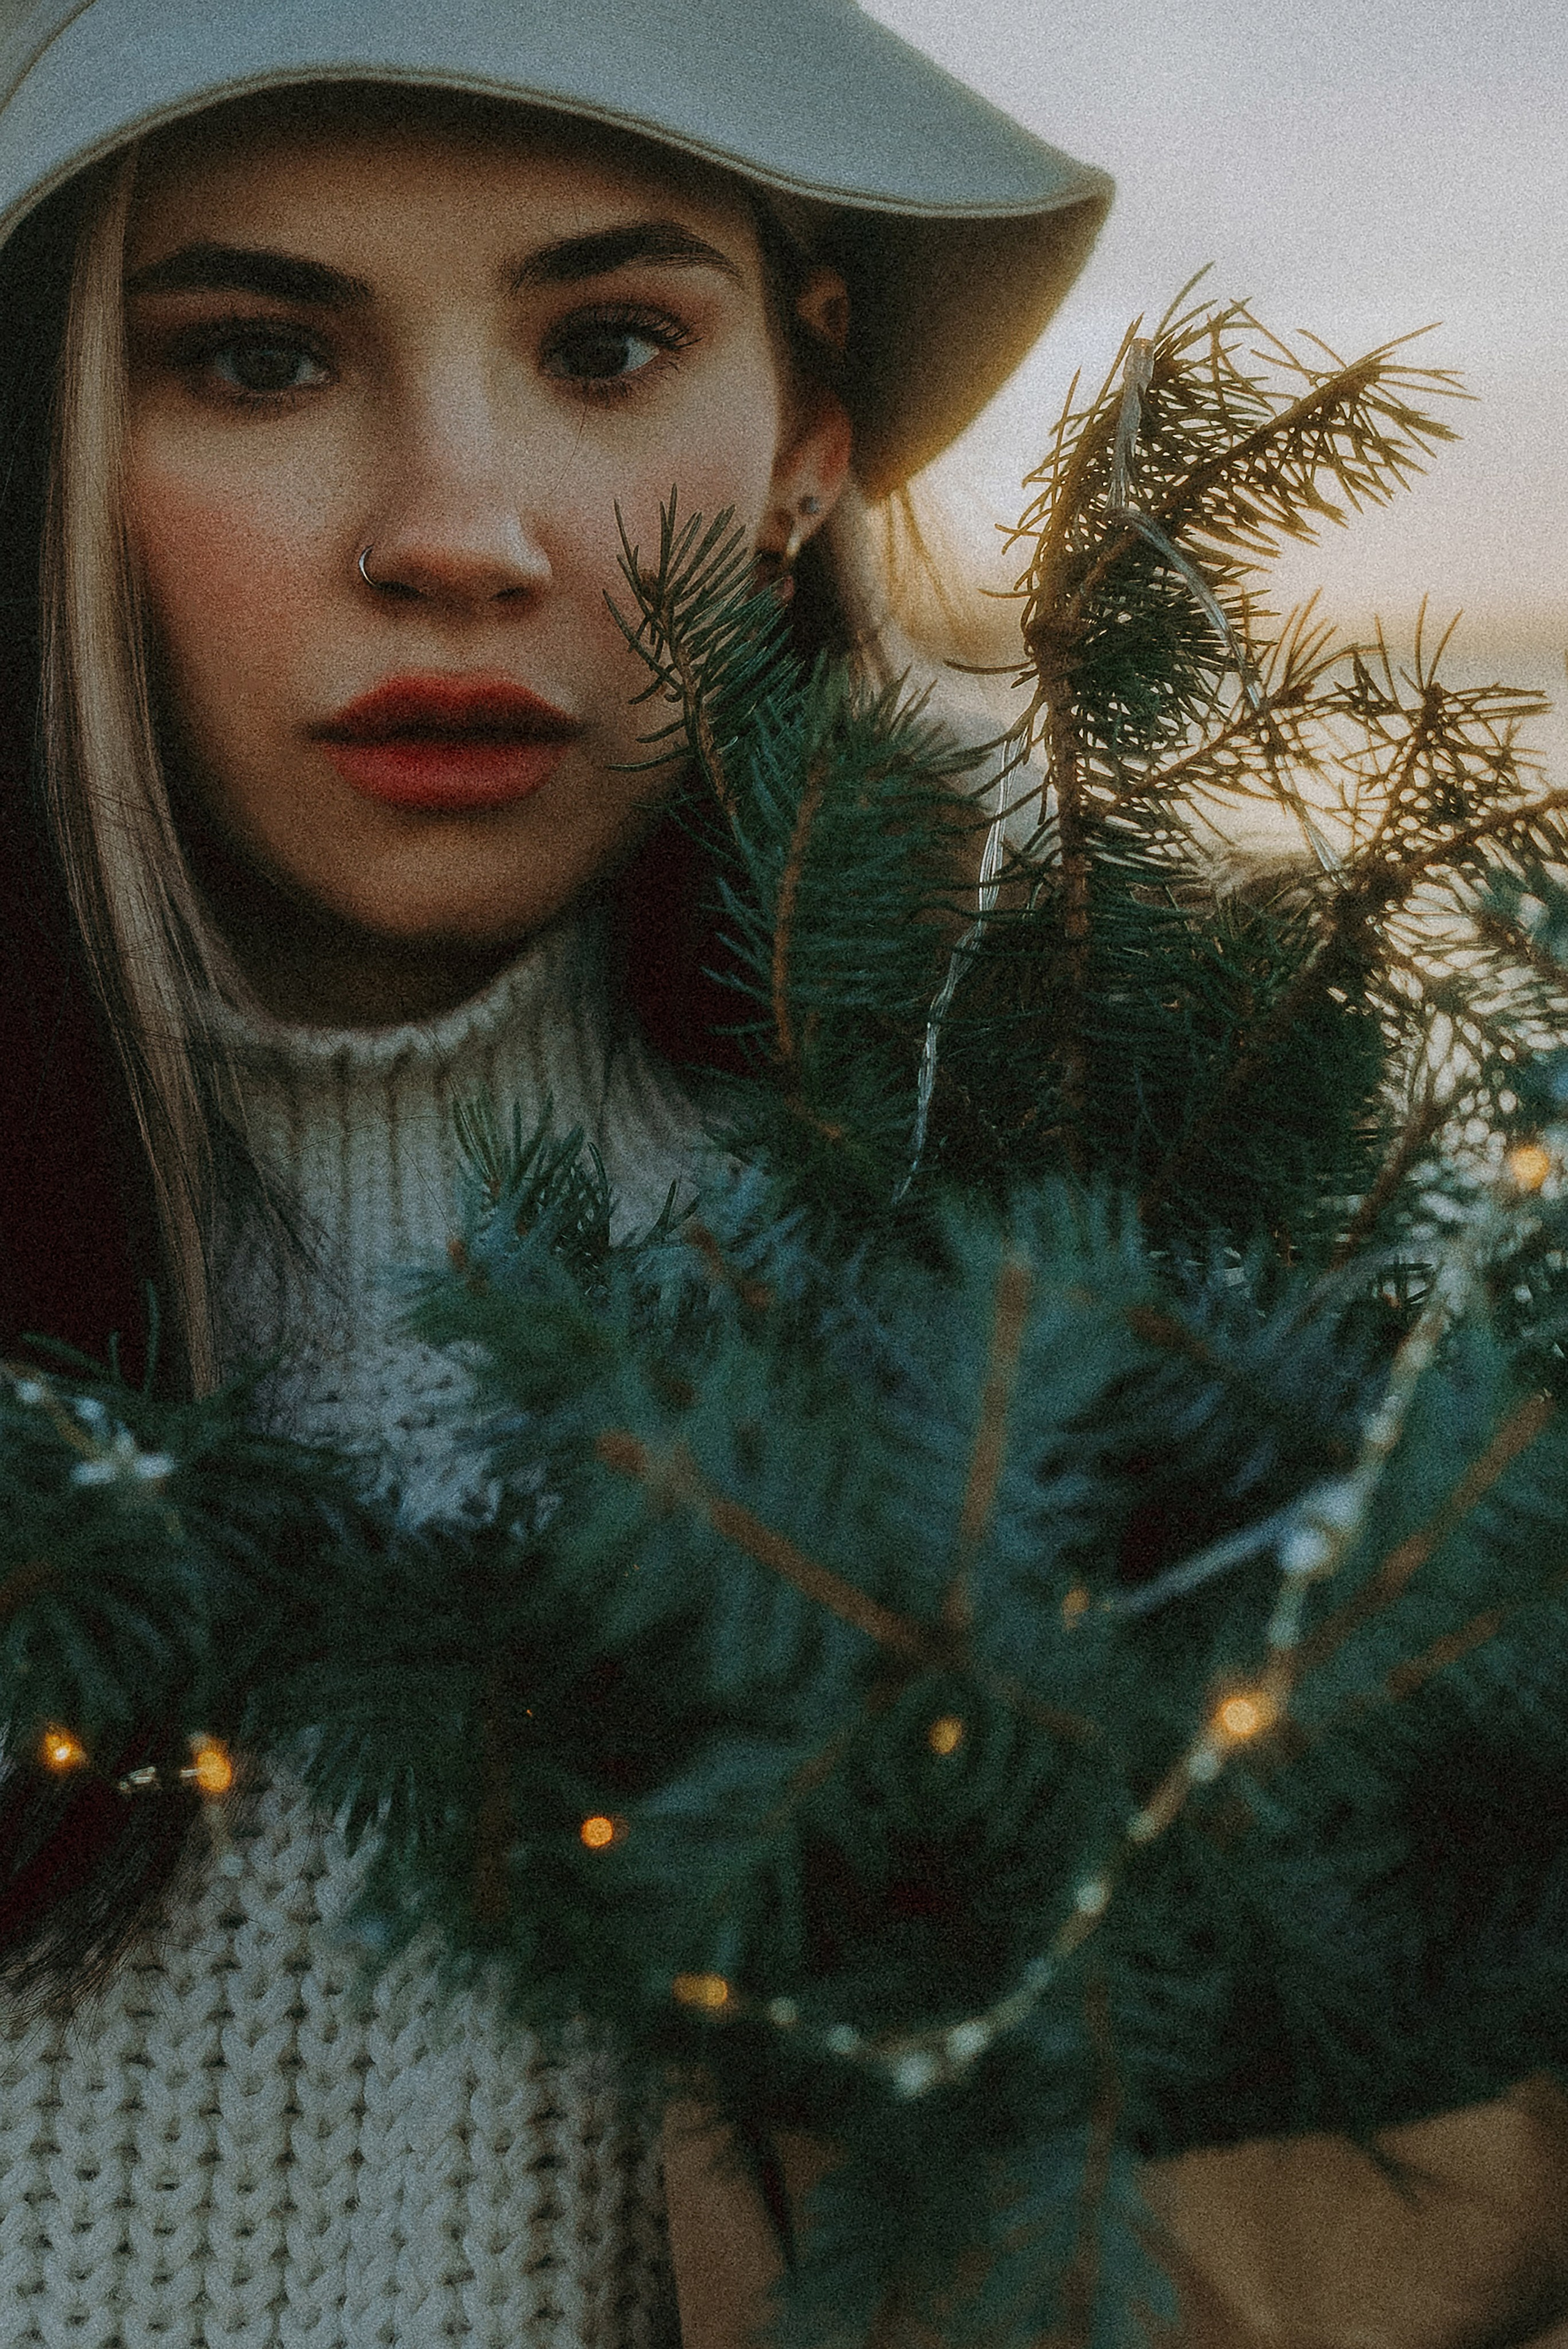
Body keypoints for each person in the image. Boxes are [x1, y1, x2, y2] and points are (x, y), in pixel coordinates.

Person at [0, 3, 1110, 2343]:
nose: (459, 535)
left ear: (806, 437)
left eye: (608, 343)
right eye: (253, 361)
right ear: (49, 437)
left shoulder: (1101, 1314)